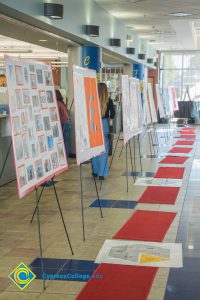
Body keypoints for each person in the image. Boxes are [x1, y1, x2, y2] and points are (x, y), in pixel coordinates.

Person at [92, 82, 115, 180]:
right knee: (104, 150)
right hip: (104, 124)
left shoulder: (92, 99)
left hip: (94, 124)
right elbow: (113, 114)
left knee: (94, 148)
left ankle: (95, 171)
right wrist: (109, 117)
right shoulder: (109, 101)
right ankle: (101, 173)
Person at [56, 89, 70, 159]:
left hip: (63, 124)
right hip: (67, 123)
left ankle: (64, 158)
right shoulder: (62, 103)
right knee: (66, 142)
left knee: (63, 142)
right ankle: (66, 158)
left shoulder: (57, 103)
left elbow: (56, 114)